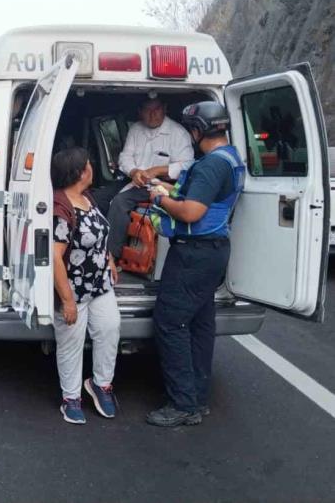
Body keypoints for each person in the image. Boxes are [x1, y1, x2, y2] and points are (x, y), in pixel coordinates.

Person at [145, 101, 245, 427]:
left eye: (192, 129)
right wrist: (171, 189)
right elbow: (203, 199)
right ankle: (198, 398)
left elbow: (191, 212)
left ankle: (182, 404)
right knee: (201, 325)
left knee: (170, 322)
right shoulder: (231, 159)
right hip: (214, 252)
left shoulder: (210, 166)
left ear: (199, 130)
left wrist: (160, 199)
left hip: (194, 254)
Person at [51, 147, 121, 425]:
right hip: (74, 288)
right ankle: (71, 398)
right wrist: (67, 300)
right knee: (71, 342)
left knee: (109, 328)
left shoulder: (86, 198)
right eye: (89, 164)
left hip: (99, 284)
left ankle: (101, 385)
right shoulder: (61, 207)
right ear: (81, 172)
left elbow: (99, 234)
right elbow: (56, 256)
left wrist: (110, 259)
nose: (92, 168)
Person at [94, 97, 194, 261]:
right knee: (96, 198)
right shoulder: (136, 129)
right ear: (140, 112)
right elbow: (125, 157)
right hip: (134, 180)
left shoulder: (178, 133)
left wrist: (158, 170)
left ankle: (111, 256)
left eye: (156, 109)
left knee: (120, 202)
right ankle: (92, 247)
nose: (152, 115)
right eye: (147, 110)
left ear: (165, 108)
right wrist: (134, 171)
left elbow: (187, 165)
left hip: (161, 185)